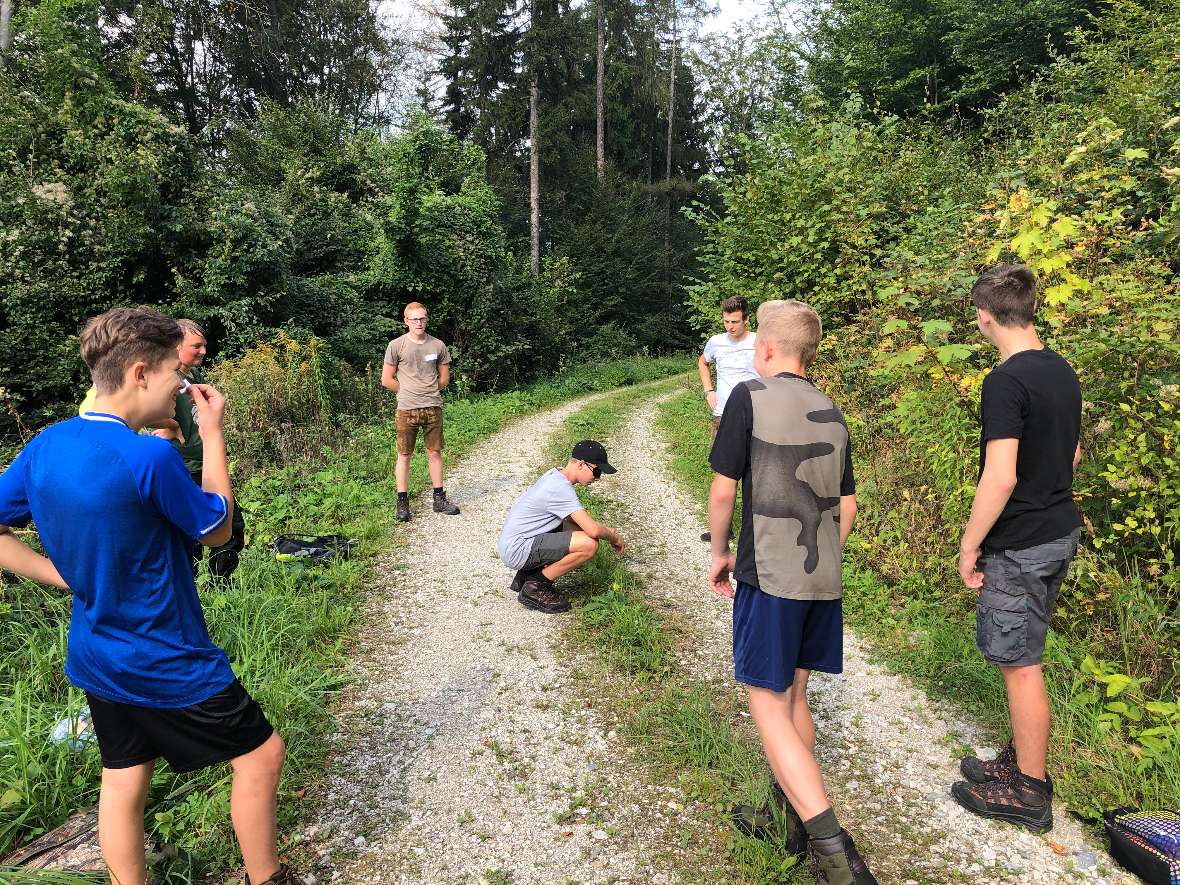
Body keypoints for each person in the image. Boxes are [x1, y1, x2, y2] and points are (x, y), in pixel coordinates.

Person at [0, 308, 296, 885]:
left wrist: (61, 575)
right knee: (261, 755)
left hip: (94, 655)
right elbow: (217, 529)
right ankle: (268, 879)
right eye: (173, 379)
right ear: (140, 372)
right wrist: (212, 435)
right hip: (168, 658)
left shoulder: (46, 446)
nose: (180, 390)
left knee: (124, 775)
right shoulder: (148, 456)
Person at [707, 299, 876, 884]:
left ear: (766, 349)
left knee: (766, 702)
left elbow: (725, 490)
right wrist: (825, 558)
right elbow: (847, 506)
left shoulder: (747, 397)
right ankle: (788, 820)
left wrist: (719, 554)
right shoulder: (833, 409)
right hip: (822, 578)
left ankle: (835, 852)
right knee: (796, 697)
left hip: (771, 574)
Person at [951, 265, 1082, 833]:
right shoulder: (1062, 370)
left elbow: (999, 476)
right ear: (1028, 310)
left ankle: (1030, 789)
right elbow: (1071, 456)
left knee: (1021, 665)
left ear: (984, 316)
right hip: (1059, 530)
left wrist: (969, 544)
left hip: (1021, 542)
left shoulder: (1004, 381)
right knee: (1025, 650)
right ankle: (1018, 760)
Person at [497, 440, 626, 614]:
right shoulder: (560, 488)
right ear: (581, 464)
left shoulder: (555, 475)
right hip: (518, 549)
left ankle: (527, 574)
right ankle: (536, 585)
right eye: (597, 471)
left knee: (575, 530)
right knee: (589, 544)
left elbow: (572, 523)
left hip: (515, 543)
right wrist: (613, 536)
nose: (598, 478)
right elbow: (593, 530)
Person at [165, 320, 246, 578]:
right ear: (175, 346)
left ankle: (220, 585)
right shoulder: (167, 379)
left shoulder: (192, 375)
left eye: (204, 345)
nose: (202, 351)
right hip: (184, 468)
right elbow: (149, 423)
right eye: (196, 346)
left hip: (205, 464)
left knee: (231, 526)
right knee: (195, 533)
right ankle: (195, 588)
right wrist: (165, 430)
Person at [381, 301, 460, 522]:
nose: (419, 322)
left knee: (434, 452)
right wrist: (406, 391)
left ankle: (439, 498)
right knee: (404, 455)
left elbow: (444, 379)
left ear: (427, 320)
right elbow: (387, 380)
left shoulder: (438, 346)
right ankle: (402, 502)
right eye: (414, 319)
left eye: (422, 318)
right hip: (406, 408)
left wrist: (429, 391)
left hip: (433, 406)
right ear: (406, 321)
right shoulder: (396, 346)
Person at [698, 295, 758, 543]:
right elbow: (702, 363)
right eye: (726, 321)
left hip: (755, 415)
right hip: (723, 416)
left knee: (755, 474)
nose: (730, 326)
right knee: (724, 474)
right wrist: (708, 390)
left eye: (734, 321)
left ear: (746, 319)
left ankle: (752, 531)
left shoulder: (759, 342)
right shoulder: (716, 342)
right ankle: (722, 529)